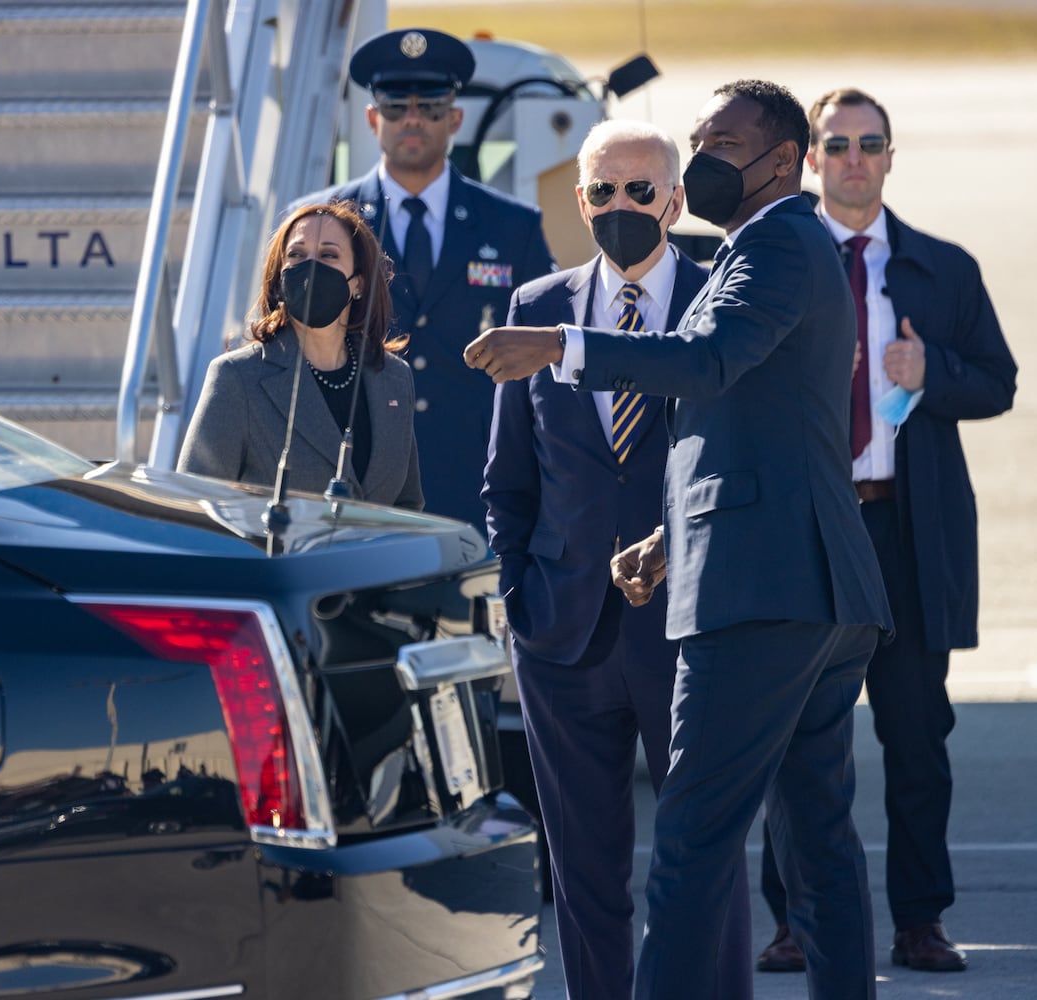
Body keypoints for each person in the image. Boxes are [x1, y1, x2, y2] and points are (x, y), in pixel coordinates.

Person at [464, 79, 895, 999]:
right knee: (815, 842)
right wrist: (669, 538)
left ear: (782, 161)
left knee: (693, 843)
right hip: (799, 582)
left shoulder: (774, 245)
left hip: (759, 593)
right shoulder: (762, 249)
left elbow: (703, 365)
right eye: (698, 138)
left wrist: (559, 348)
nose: (704, 159)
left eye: (722, 144)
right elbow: (747, 419)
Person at [484, 118, 751, 999]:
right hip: (563, 637)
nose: (623, 205)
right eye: (604, 190)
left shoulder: (723, 301)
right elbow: (507, 482)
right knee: (584, 876)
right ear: (579, 200)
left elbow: (749, 463)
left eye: (642, 190)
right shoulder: (535, 308)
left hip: (690, 633)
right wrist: (520, 596)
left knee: (700, 860)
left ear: (675, 198)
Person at [754, 86, 1018, 977]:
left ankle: (919, 920)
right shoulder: (773, 264)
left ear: (890, 157)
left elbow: (996, 382)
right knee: (793, 733)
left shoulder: (940, 268)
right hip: (806, 528)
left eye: (870, 144)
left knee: (915, 735)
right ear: (810, 160)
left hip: (904, 527)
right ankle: (793, 920)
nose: (853, 159)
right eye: (836, 145)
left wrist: (928, 368)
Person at [292, 27, 554, 527]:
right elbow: (282, 349)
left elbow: (544, 355)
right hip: (352, 478)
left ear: (454, 117)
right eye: (396, 106)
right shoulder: (318, 223)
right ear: (373, 119)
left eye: (431, 106)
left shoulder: (514, 226)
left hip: (480, 482)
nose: (413, 118)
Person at [177, 201, 422, 509]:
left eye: (328, 255)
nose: (311, 268)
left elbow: (408, 507)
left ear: (358, 283)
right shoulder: (237, 377)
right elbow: (194, 506)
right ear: (279, 279)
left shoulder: (393, 378)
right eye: (296, 255)